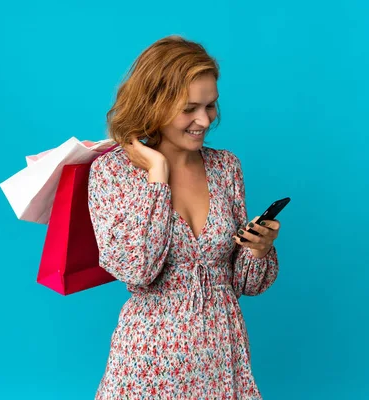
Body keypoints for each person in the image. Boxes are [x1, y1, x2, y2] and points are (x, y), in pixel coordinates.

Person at [88, 35, 282, 399]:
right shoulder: (112, 172)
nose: (204, 120)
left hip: (222, 354)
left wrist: (259, 249)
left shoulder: (225, 167)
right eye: (189, 108)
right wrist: (157, 174)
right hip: (149, 361)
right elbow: (138, 270)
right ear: (154, 104)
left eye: (210, 106)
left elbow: (243, 284)